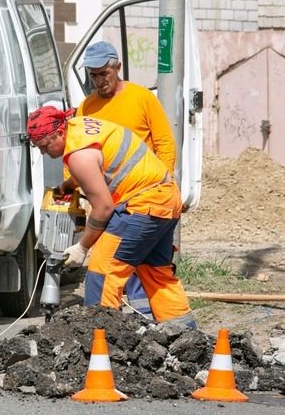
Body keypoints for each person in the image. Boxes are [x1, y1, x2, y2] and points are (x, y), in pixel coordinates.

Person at [28, 105, 195, 328]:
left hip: (143, 205)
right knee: (156, 272)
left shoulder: (78, 156)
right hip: (166, 199)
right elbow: (103, 160)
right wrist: (71, 184)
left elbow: (103, 208)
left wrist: (82, 247)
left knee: (103, 268)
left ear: (59, 133)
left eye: (44, 146)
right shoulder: (79, 128)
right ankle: (184, 334)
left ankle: (100, 341)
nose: (43, 152)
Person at [74, 41, 178, 319]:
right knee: (135, 266)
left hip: (142, 199)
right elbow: (79, 151)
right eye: (92, 75)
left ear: (117, 67)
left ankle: (114, 325)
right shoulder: (87, 106)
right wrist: (74, 190)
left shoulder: (141, 98)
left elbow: (165, 143)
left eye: (103, 73)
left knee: (114, 264)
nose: (98, 81)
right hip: (109, 201)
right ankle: (146, 323)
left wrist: (164, 184)